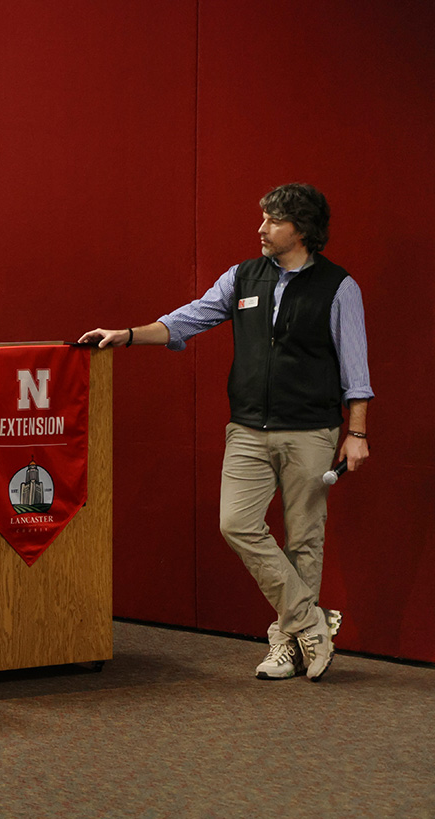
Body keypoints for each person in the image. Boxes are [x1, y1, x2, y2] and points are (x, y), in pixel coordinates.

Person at [78, 183, 372, 682]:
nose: (260, 229)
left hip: (311, 431)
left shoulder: (339, 287)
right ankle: (309, 622)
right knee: (236, 523)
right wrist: (127, 336)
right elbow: (187, 319)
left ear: (300, 229)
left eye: (272, 221)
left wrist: (357, 433)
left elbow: (355, 367)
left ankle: (288, 643)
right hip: (248, 429)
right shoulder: (242, 277)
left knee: (304, 540)